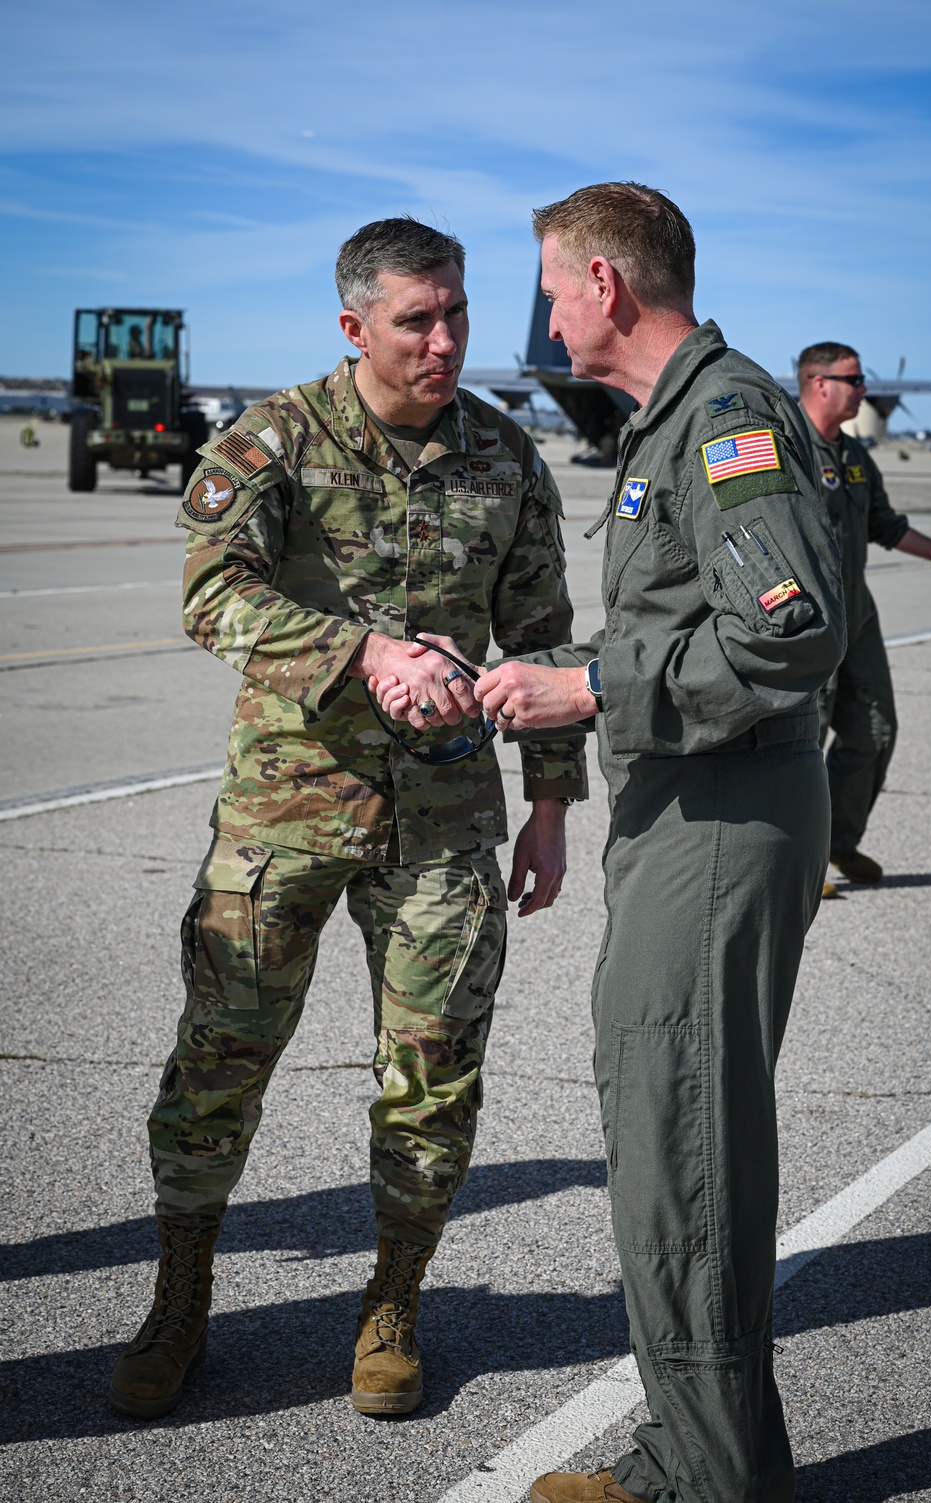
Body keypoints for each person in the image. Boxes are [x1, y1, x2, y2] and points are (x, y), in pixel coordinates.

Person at [377, 183, 845, 1503]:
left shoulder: (727, 416)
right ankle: (698, 1453)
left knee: (680, 1132)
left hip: (721, 818)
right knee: (667, 1129)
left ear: (609, 288)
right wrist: (553, 669)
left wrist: (589, 689)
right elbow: (695, 624)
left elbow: (792, 630)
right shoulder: (675, 419)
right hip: (687, 808)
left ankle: (702, 1478)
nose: (539, 311)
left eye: (550, 285)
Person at [108, 217, 587, 1422]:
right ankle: (179, 1296)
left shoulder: (504, 456)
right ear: (354, 326)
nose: (443, 340)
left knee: (432, 1083)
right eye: (417, 319)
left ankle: (394, 1306)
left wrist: (550, 809)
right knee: (216, 1072)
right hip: (283, 817)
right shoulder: (273, 439)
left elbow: (541, 639)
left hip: (444, 828)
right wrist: (358, 648)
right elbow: (213, 594)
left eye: (457, 314)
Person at [796, 344, 931, 896]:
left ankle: (837, 841)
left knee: (876, 728)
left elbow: (885, 524)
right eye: (854, 379)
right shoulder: (788, 450)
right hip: (810, 617)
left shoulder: (855, 456)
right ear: (818, 382)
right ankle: (800, 865)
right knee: (802, 741)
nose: (865, 389)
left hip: (857, 613)